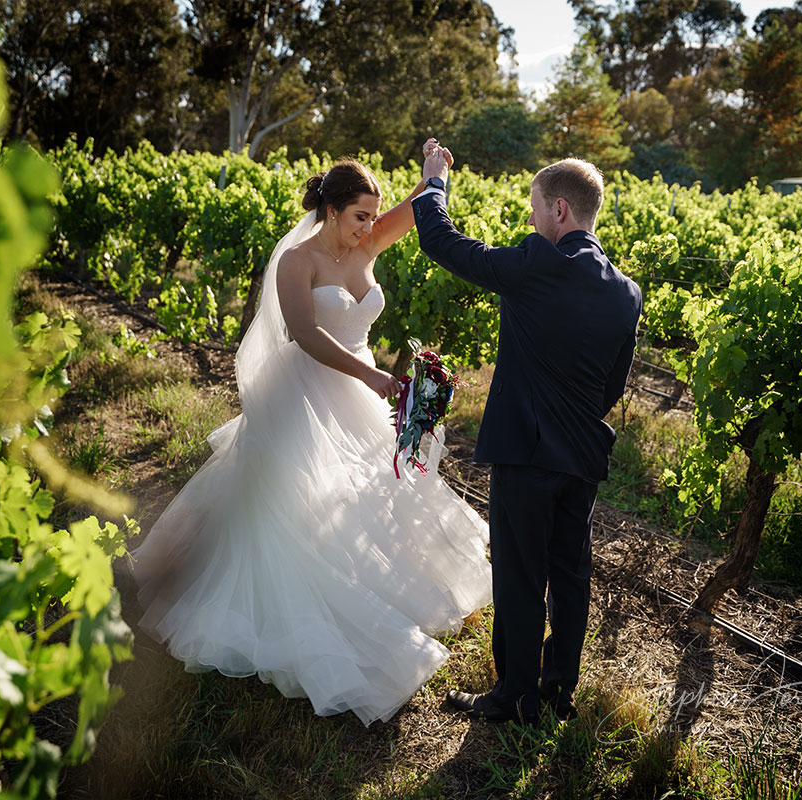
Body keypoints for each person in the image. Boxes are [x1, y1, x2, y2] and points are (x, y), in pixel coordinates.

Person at [130, 145, 492, 726]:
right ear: (331, 210)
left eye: (373, 217)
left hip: (358, 388)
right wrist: (375, 377)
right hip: (307, 388)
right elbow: (303, 334)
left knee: (367, 493)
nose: (370, 228)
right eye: (359, 217)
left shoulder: (368, 244)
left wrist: (436, 172)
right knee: (291, 503)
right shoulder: (297, 261)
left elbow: (421, 208)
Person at [412, 147, 642, 724]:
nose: (531, 218)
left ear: (559, 210)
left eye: (535, 207)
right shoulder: (625, 292)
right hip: (582, 455)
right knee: (570, 573)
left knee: (519, 575)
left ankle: (514, 695)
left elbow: (443, 244)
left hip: (526, 452)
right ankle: (560, 689)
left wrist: (434, 184)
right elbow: (612, 383)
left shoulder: (537, 260)